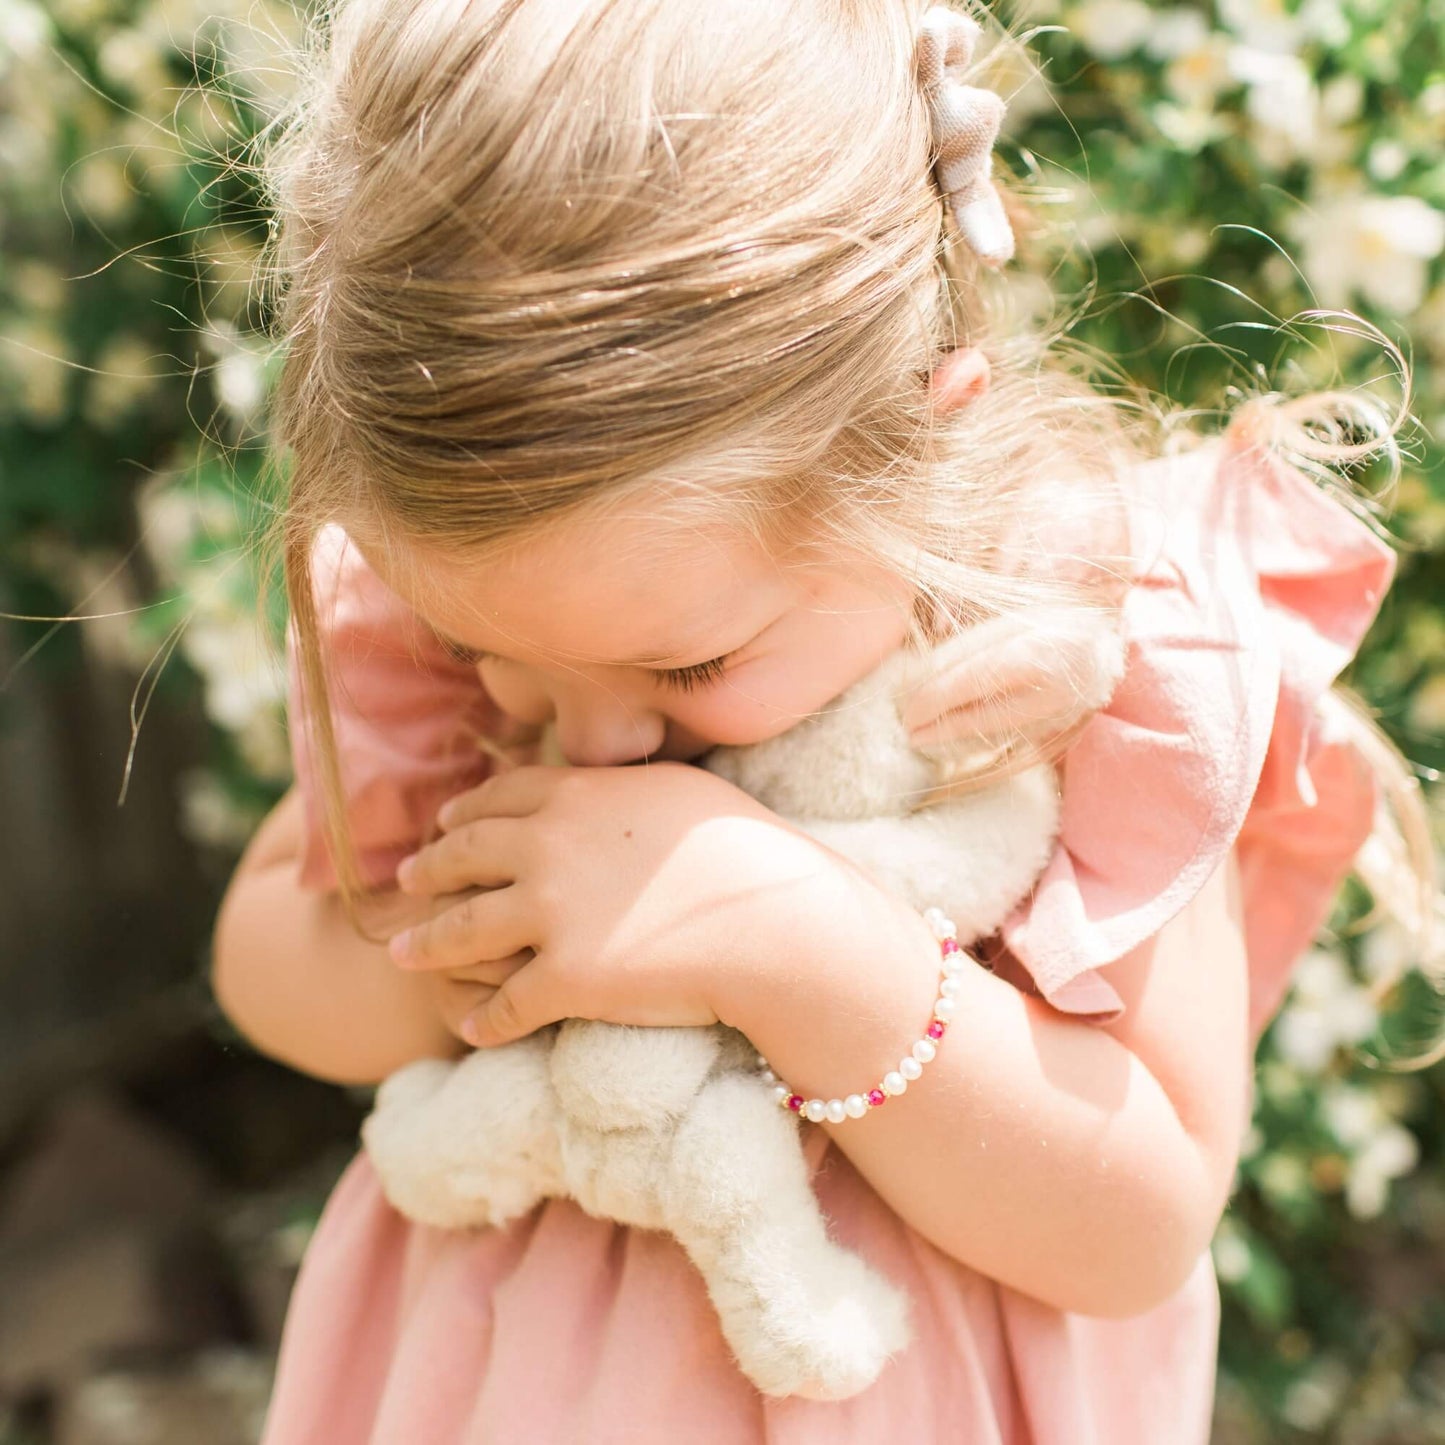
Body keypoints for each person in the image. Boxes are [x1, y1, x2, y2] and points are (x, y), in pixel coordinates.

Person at [212, 0, 1439, 1440]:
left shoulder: (1089, 653)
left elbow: (1138, 1227)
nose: (592, 742)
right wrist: (507, 940)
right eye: (503, 660)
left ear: (922, 440)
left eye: (685, 667)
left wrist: (789, 944)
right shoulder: (457, 583)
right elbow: (265, 958)